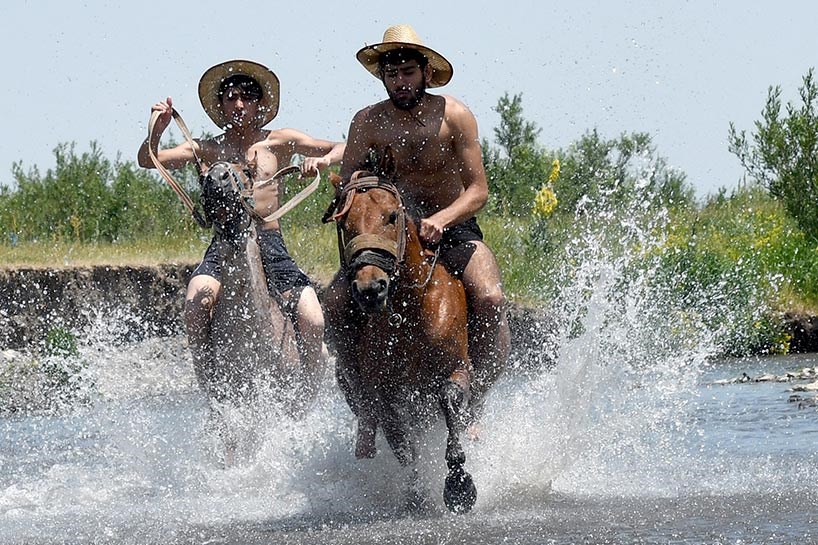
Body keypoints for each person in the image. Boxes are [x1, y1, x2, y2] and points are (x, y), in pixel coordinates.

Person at [327, 24, 510, 454]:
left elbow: (478, 191)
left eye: (408, 72)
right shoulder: (367, 121)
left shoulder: (454, 116)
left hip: (453, 228)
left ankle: (475, 401)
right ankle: (366, 407)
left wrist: (442, 220)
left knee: (489, 297)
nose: (400, 82)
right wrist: (352, 188)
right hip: (392, 233)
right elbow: (350, 182)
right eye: (392, 75)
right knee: (334, 303)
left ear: (426, 71)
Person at [137, 59, 344, 399]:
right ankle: (210, 385)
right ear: (220, 105)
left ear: (260, 103)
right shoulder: (207, 147)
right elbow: (148, 160)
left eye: (246, 96)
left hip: (270, 244)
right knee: (195, 303)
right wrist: (157, 130)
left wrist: (321, 161)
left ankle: (308, 393)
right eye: (230, 97)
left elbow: (343, 146)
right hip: (224, 244)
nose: (238, 103)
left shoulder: (280, 141)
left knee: (313, 319)